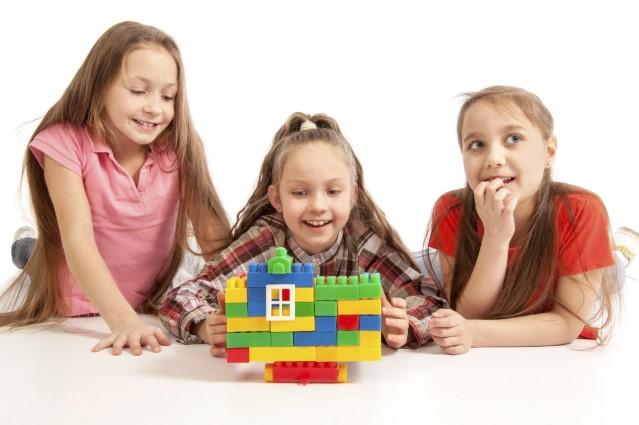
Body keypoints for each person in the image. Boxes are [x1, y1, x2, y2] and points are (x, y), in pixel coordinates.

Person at [0, 21, 231, 356]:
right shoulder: (64, 145)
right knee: (33, 255)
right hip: (82, 284)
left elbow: (213, 233)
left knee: (191, 264)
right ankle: (26, 243)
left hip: (152, 286)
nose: (155, 107)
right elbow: (77, 241)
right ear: (99, 87)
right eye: (138, 91)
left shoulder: (180, 146)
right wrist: (124, 321)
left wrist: (251, 297)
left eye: (168, 96)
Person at [160, 112, 447, 356]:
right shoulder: (268, 240)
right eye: (300, 192)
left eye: (333, 191)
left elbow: (428, 298)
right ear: (277, 198)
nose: (318, 206)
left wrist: (401, 324)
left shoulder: (361, 241)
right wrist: (204, 325)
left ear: (352, 195)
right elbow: (181, 296)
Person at [424, 85, 622, 354]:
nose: (494, 159)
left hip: (576, 270)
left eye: (513, 139)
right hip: (434, 269)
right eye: (477, 145)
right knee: (411, 271)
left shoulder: (582, 209)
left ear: (549, 151)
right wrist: (496, 236)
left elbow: (566, 323)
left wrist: (472, 333)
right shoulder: (451, 209)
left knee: (617, 272)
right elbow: (469, 312)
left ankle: (620, 253)